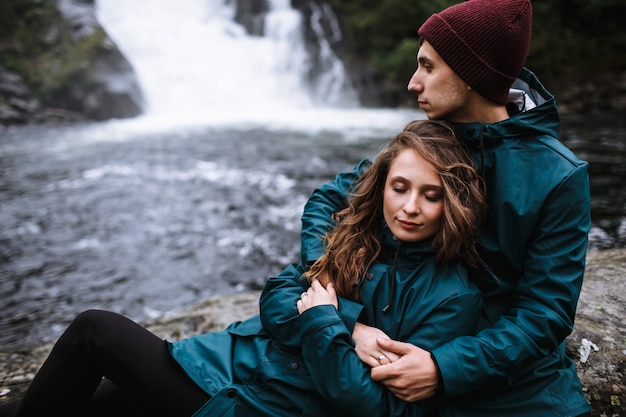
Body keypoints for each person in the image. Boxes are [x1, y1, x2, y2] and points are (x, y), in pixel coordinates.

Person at [0, 120, 488, 417]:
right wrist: (352, 328)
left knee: (94, 331)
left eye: (432, 195)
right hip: (222, 366)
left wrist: (321, 321)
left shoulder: (452, 296)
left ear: (456, 205)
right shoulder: (358, 236)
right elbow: (277, 300)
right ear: (382, 184)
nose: (410, 207)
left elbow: (374, 408)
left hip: (260, 405)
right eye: (400, 187)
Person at [298, 0, 592, 416]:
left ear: (471, 74)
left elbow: (545, 313)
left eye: (427, 67)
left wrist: (444, 368)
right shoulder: (428, 142)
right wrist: (332, 295)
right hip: (394, 339)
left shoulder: (558, 175)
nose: (412, 83)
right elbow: (329, 200)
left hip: (498, 377)